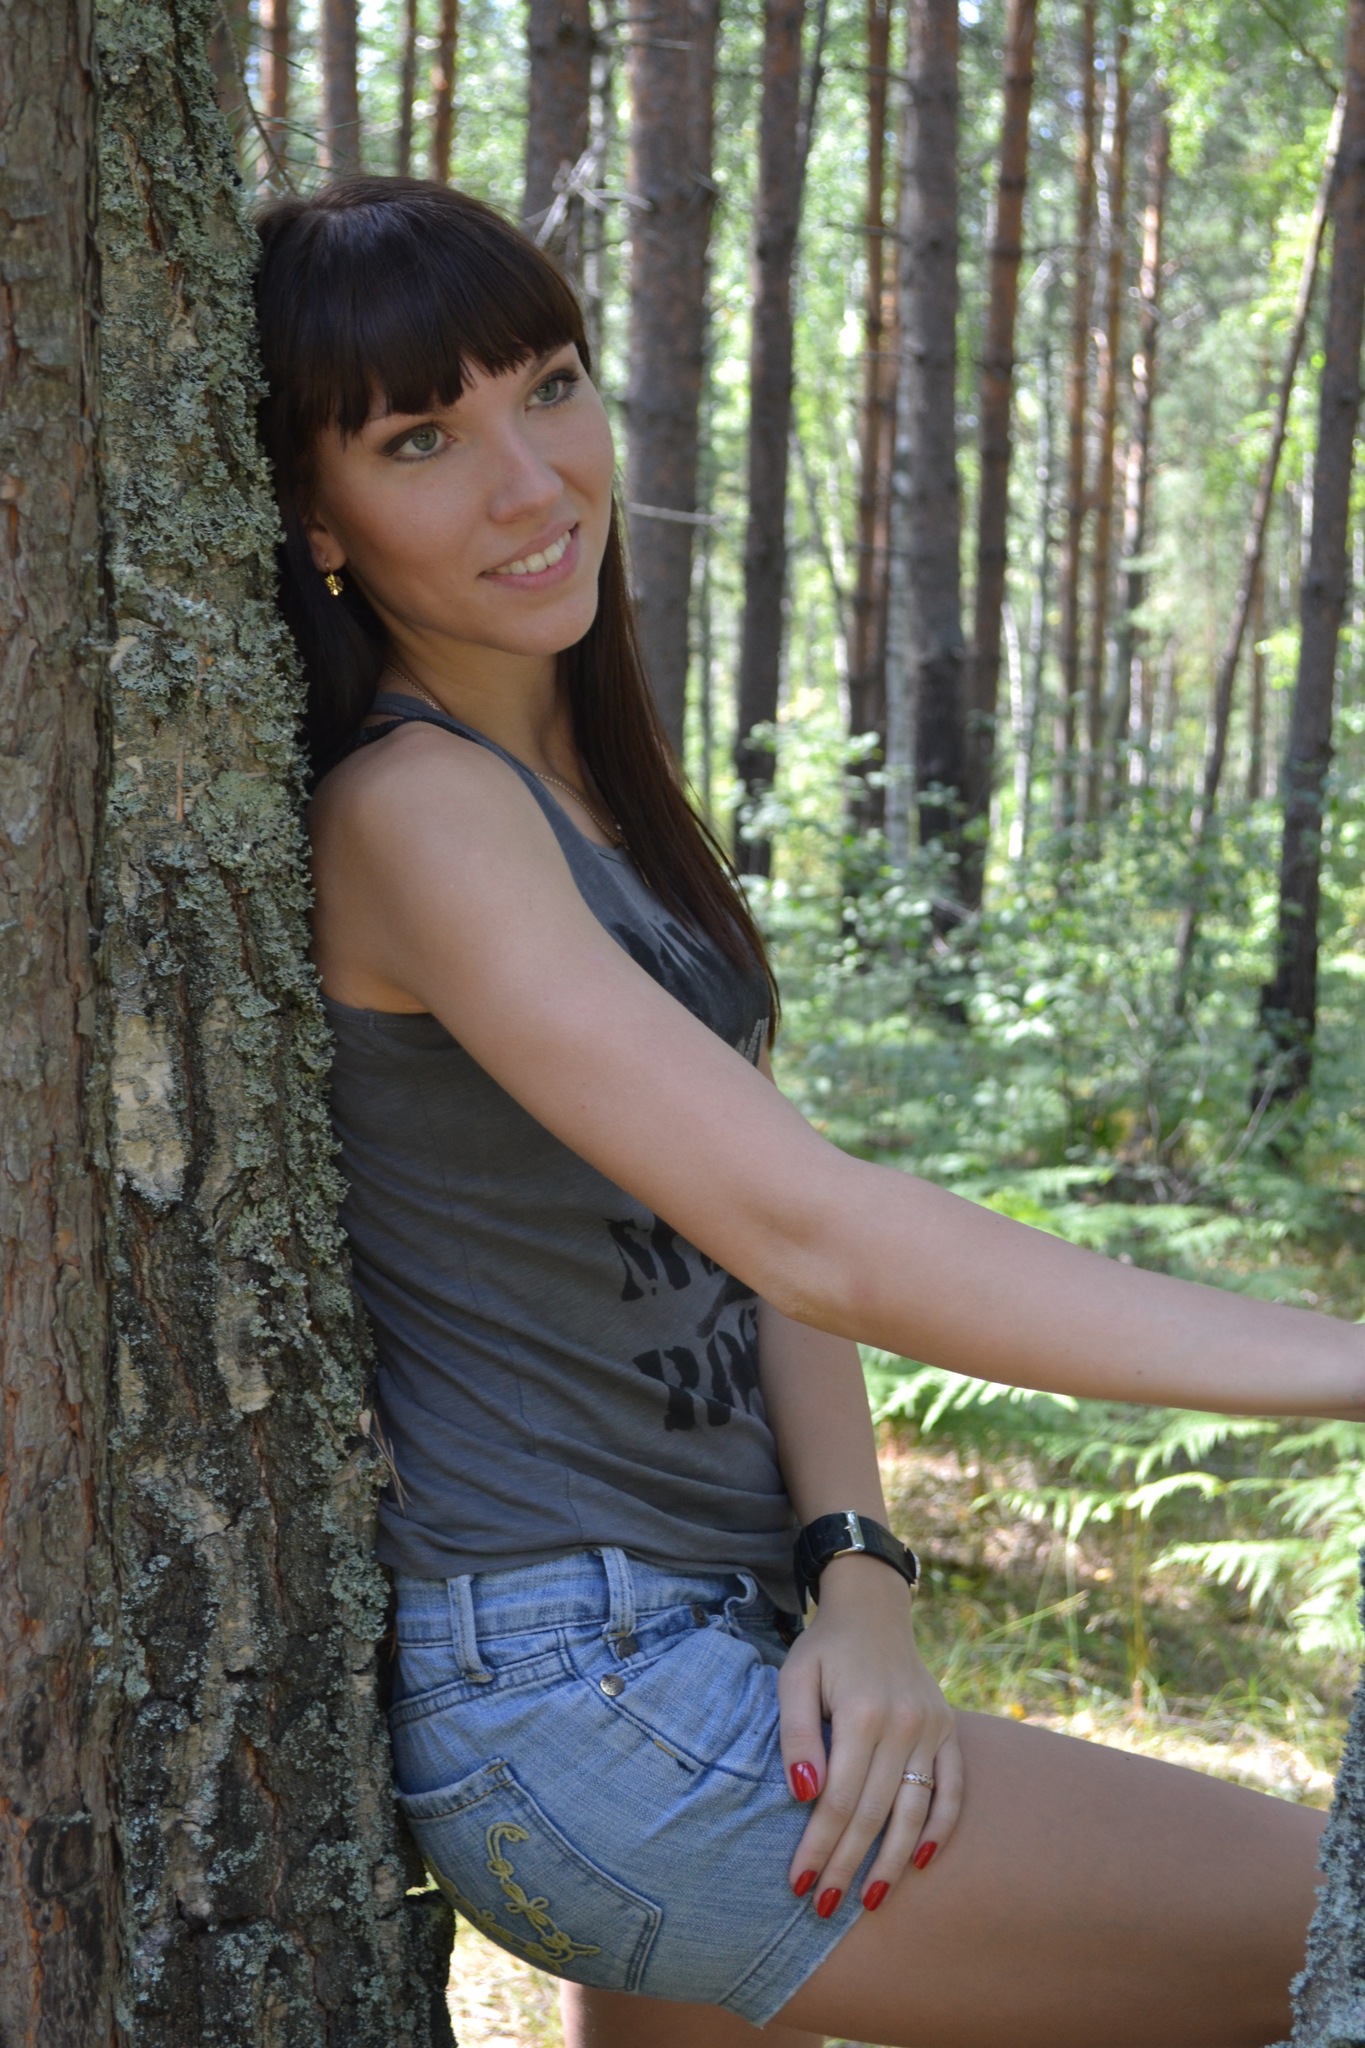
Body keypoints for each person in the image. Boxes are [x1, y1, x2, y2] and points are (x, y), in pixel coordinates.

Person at [255, 176, 1345, 2048]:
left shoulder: (589, 795)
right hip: (588, 1690)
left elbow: (758, 1242)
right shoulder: (417, 814)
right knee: (1335, 1918)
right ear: (317, 521)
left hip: (714, 1647)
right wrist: (1344, 1365)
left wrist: (856, 1577)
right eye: (421, 438)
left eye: (550, 387)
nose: (531, 481)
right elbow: (816, 1231)